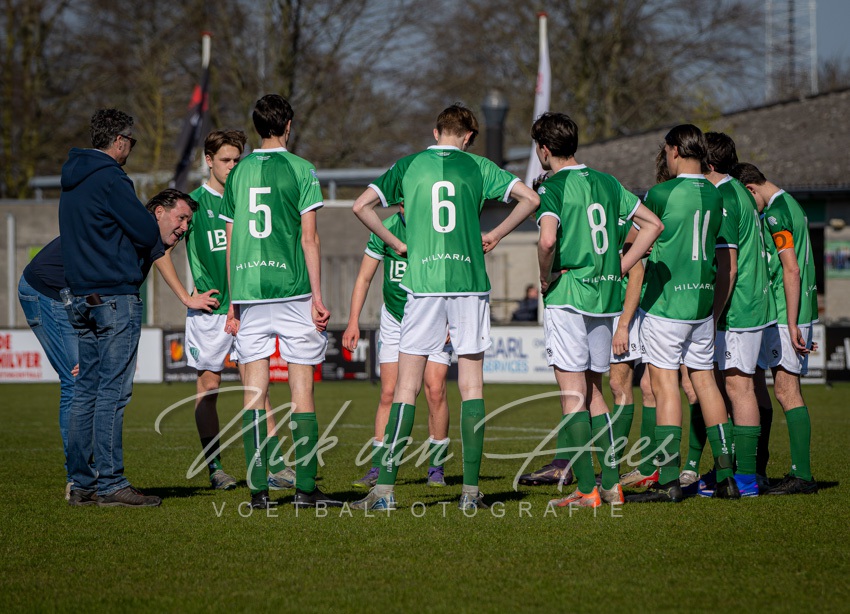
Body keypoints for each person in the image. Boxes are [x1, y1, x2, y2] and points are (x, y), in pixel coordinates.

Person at [351, 103, 540, 511]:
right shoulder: (479, 166)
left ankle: (384, 491)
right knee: (471, 387)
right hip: (469, 283)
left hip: (424, 285)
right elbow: (529, 198)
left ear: (436, 132)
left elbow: (360, 206)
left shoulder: (408, 165)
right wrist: (497, 234)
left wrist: (396, 242)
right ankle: (470, 492)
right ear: (468, 136)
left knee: (406, 387)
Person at [530, 112, 662, 509]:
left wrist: (545, 278)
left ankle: (588, 490)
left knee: (573, 395)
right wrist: (619, 267)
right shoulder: (608, 182)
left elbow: (547, 241)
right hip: (604, 299)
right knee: (593, 392)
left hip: (569, 294)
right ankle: (612, 484)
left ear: (544, 149)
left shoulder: (553, 186)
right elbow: (653, 226)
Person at [157, 129, 296, 493]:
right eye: (225, 160)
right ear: (208, 160)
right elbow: (160, 250)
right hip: (211, 312)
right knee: (209, 387)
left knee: (258, 387)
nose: (232, 166)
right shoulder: (194, 204)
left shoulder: (249, 199)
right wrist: (186, 297)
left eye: (237, 159)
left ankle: (276, 465)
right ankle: (215, 468)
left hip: (247, 308)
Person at [221, 94, 341, 509]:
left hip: (249, 291)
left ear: (257, 127)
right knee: (301, 391)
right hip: (293, 290)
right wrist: (318, 297)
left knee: (254, 393)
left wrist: (233, 302)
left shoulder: (237, 172)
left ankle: (258, 493)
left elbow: (231, 240)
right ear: (288, 125)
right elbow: (310, 237)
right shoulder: (302, 168)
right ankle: (305, 489)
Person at [628, 124, 740, 503]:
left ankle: (669, 480)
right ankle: (726, 476)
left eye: (666, 150)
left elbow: (642, 236)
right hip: (702, 304)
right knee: (706, 384)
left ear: (674, 150)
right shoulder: (714, 192)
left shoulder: (662, 192)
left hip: (667, 303)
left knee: (665, 386)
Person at [679, 133, 773, 498]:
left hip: (739, 308)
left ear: (708, 164)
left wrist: (712, 316)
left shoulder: (725, 197)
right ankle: (731, 472)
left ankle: (745, 478)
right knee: (729, 387)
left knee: (738, 387)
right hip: (746, 305)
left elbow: (729, 268)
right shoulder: (737, 192)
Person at [342, 203, 454, 489]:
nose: (407, 204)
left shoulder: (439, 227)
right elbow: (364, 277)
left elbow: (456, 272)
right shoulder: (385, 228)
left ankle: (436, 467)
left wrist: (453, 318)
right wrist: (353, 321)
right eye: (401, 199)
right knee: (389, 392)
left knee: (435, 389)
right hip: (395, 318)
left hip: (434, 315)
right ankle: (378, 466)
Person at [731, 162, 818, 495]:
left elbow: (791, 270)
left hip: (786, 312)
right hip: (788, 311)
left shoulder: (775, 213)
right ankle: (763, 468)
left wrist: (792, 322)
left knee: (785, 390)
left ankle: (802, 475)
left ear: (750, 189)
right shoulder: (791, 203)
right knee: (767, 387)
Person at [18, 238, 79, 500]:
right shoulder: (131, 228)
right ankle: (78, 479)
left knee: (87, 380)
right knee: (76, 380)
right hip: (48, 291)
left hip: (65, 293)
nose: (183, 227)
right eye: (181, 219)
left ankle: (90, 474)